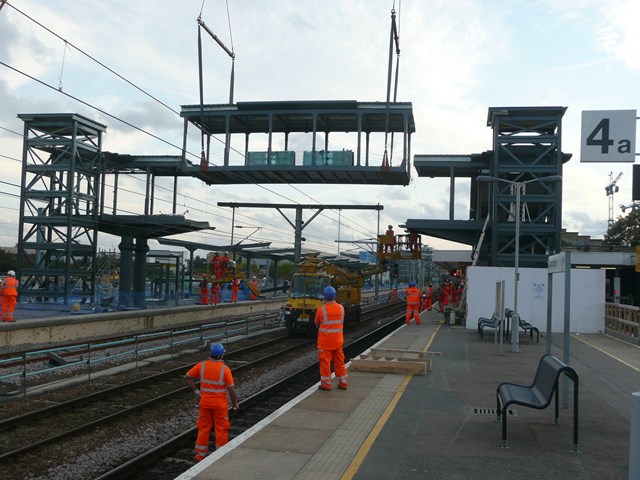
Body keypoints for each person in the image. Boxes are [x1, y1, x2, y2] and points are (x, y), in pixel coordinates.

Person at [184, 343, 239, 462]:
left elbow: (187, 377)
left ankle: (199, 456)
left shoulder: (201, 366)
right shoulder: (225, 369)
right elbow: (231, 389)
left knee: (203, 428)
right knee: (221, 429)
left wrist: (197, 392)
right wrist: (235, 403)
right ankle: (220, 456)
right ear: (222, 355)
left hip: (205, 403)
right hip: (220, 405)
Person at [314, 286, 348, 391]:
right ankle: (343, 383)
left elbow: (316, 323)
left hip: (325, 342)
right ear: (335, 296)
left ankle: (326, 385)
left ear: (325, 297)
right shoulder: (341, 308)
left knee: (325, 364)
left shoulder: (321, 310)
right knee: (339, 362)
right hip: (338, 341)